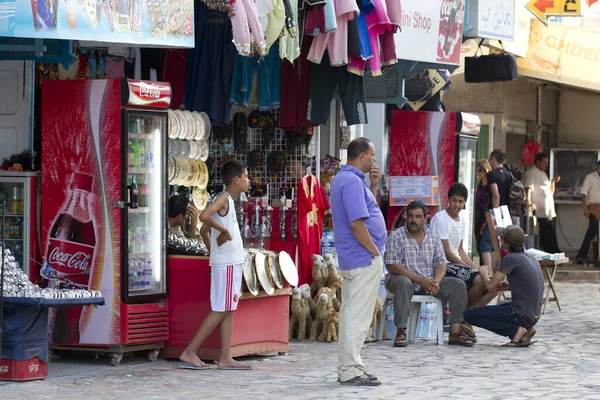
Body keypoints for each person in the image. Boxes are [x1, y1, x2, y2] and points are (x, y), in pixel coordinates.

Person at [179, 160, 251, 370]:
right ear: (236, 179)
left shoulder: (227, 199)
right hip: (227, 264)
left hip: (227, 262)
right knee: (221, 309)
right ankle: (190, 351)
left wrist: (214, 252)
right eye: (246, 176)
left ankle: (225, 357)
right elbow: (204, 216)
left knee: (228, 309)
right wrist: (225, 233)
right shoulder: (223, 198)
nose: (248, 181)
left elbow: (203, 231)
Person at [330, 137, 386, 387]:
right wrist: (374, 251)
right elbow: (356, 223)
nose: (375, 160)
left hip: (357, 257)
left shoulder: (347, 180)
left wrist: (373, 186)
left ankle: (350, 366)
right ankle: (350, 369)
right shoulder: (351, 182)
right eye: (372, 155)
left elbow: (364, 210)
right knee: (357, 316)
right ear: (362, 155)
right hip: (362, 257)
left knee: (353, 312)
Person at [386, 201, 474, 348]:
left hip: (430, 283)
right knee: (402, 282)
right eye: (411, 216)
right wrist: (420, 280)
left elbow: (441, 263)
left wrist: (437, 281)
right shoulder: (396, 236)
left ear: (425, 218)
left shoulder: (433, 237)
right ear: (405, 217)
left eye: (418, 216)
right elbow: (393, 266)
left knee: (458, 284)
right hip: (405, 280)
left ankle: (455, 332)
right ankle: (401, 331)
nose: (414, 220)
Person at [464, 225, 544, 347]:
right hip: (534, 315)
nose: (500, 241)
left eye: (501, 238)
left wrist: (484, 272)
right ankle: (528, 329)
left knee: (469, 315)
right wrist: (509, 286)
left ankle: (516, 331)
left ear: (506, 243)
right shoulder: (530, 258)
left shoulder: (510, 258)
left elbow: (490, 287)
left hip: (521, 313)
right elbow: (530, 283)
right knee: (499, 309)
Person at [430, 183, 497, 311]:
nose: (457, 205)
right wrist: (466, 266)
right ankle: (462, 317)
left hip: (457, 264)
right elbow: (446, 251)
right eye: (454, 200)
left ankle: (468, 316)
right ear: (448, 200)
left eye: (460, 201)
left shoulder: (462, 220)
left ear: (465, 202)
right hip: (443, 265)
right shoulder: (440, 219)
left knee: (494, 286)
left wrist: (474, 267)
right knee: (480, 280)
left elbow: (460, 250)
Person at [480, 149, 513, 267]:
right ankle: (504, 275)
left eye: (490, 159)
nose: (489, 162)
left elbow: (496, 195)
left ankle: (489, 274)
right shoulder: (509, 175)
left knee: (485, 245)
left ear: (494, 158)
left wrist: (494, 214)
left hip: (496, 212)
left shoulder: (492, 174)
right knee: (504, 245)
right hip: (507, 213)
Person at [523, 153, 561, 254]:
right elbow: (528, 188)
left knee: (550, 231)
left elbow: (550, 192)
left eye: (547, 163)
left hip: (548, 209)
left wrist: (552, 182)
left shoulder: (544, 174)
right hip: (539, 210)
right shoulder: (531, 172)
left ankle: (553, 252)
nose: (546, 165)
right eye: (544, 162)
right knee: (547, 232)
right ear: (538, 162)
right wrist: (529, 202)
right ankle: (552, 252)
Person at [576, 160, 600, 264]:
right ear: (598, 167)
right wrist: (585, 208)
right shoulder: (590, 177)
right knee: (591, 232)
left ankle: (597, 256)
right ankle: (581, 256)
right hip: (594, 208)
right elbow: (583, 193)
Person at [474, 159, 491, 264]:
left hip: (485, 219)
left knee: (484, 246)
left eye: (480, 170)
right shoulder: (479, 185)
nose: (478, 173)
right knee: (479, 245)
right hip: (478, 218)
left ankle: (487, 270)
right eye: (477, 170)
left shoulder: (489, 187)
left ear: (486, 171)